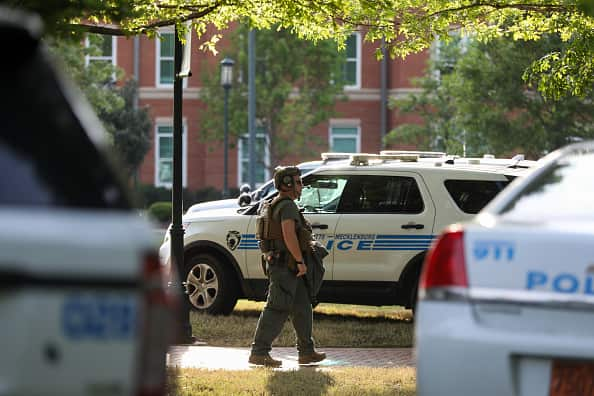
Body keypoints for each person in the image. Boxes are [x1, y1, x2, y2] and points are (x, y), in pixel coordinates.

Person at [248, 166, 326, 367]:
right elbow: (289, 235)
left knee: (302, 307)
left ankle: (306, 352)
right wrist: (300, 261)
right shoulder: (287, 206)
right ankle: (259, 352)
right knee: (277, 307)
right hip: (285, 266)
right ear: (287, 184)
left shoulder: (276, 204)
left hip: (284, 265)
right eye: (298, 182)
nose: (301, 186)